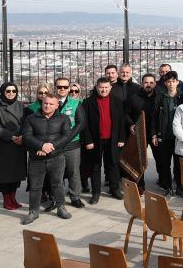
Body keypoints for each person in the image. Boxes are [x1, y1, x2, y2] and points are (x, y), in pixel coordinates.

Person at [20, 91, 73, 224]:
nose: (47, 106)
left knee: (58, 184)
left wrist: (49, 147)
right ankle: (33, 211)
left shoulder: (63, 118)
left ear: (57, 106)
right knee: (35, 186)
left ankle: (61, 207)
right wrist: (41, 146)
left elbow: (66, 136)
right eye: (45, 103)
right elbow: (27, 136)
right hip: (36, 158)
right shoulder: (30, 118)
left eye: (51, 104)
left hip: (56, 157)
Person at [83, 76, 126, 200]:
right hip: (95, 140)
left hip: (113, 139)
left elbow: (121, 121)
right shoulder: (88, 102)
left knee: (113, 164)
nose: (103, 90)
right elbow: (84, 124)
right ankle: (96, 192)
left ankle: (115, 189)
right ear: (96, 87)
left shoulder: (117, 101)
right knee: (95, 166)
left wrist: (121, 138)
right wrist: (88, 140)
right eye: (101, 87)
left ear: (110, 87)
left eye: (106, 87)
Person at [0, 81, 27, 212]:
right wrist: (12, 137)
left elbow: (24, 122)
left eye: (13, 91)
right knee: (5, 174)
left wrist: (21, 136)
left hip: (19, 143)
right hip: (4, 144)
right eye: (8, 91)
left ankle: (13, 198)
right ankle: (6, 199)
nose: (11, 94)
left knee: (16, 173)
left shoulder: (20, 105)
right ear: (3, 91)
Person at [52, 77, 87, 207]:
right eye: (59, 87)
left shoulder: (76, 103)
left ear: (68, 88)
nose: (62, 89)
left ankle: (75, 197)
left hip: (72, 144)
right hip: (54, 145)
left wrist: (66, 138)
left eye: (65, 87)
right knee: (57, 174)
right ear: (55, 87)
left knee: (73, 172)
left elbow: (81, 123)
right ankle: (57, 198)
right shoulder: (50, 102)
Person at [152, 71, 182, 194]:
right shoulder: (160, 97)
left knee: (179, 164)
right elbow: (154, 117)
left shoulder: (182, 97)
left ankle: (180, 187)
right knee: (164, 163)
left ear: (177, 82)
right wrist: (154, 134)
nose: (171, 84)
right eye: (168, 81)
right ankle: (167, 187)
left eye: (173, 81)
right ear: (165, 83)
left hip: (179, 137)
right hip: (164, 135)